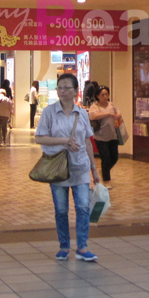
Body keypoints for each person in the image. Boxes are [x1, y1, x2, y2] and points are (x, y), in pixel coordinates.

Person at [35, 73, 100, 261]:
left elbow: (88, 142)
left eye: (67, 88)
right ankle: (64, 246)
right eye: (60, 88)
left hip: (80, 167)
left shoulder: (82, 114)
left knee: (83, 206)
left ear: (75, 91)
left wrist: (94, 170)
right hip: (57, 168)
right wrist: (65, 141)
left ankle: (82, 247)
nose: (62, 91)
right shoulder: (49, 112)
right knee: (61, 210)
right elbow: (40, 137)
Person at [88, 85, 122, 187]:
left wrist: (117, 115)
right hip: (100, 137)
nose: (105, 96)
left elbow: (119, 113)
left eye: (107, 94)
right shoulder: (95, 106)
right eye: (103, 94)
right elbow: (93, 116)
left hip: (112, 136)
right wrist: (107, 114)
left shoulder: (112, 105)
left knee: (114, 157)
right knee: (105, 158)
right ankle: (107, 180)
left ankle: (103, 170)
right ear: (98, 96)